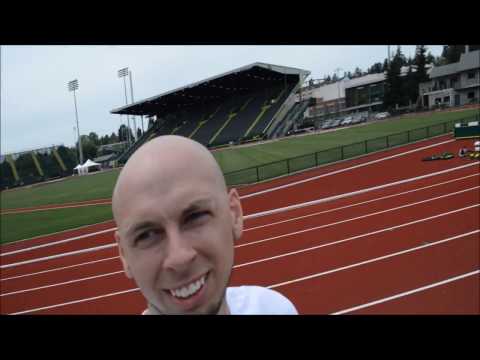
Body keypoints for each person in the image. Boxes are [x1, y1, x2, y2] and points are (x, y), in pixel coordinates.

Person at [112, 135, 298, 315]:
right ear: (123, 254)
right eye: (146, 235)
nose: (179, 258)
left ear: (234, 214)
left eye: (195, 217)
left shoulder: (274, 308)